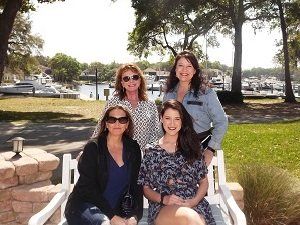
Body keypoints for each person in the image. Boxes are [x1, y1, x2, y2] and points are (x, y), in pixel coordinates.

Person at [138, 99, 216, 225]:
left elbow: (203, 182)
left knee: (196, 219)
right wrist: (164, 199)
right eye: (168, 118)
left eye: (177, 119)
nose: (172, 123)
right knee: (190, 219)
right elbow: (146, 188)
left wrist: (194, 201)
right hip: (164, 206)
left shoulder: (193, 147)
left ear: (182, 121)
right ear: (161, 119)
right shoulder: (152, 150)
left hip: (194, 203)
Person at [65, 105, 143, 225]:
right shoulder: (93, 147)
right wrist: (112, 216)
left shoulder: (133, 148)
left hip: (116, 209)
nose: (117, 123)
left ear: (127, 124)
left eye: (122, 120)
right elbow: (88, 189)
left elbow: (136, 185)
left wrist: (135, 215)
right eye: (112, 120)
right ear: (106, 123)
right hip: (84, 206)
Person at [163, 50, 228, 165]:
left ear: (194, 70)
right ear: (175, 70)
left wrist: (211, 149)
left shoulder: (206, 93)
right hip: (173, 149)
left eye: (189, 66)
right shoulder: (169, 94)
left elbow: (222, 122)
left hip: (200, 148)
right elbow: (163, 122)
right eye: (180, 66)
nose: (184, 70)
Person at [92, 63, 160, 154]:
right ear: (122, 83)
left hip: (144, 157)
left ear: (140, 80)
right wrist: (89, 149)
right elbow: (101, 127)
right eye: (126, 78)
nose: (131, 81)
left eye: (135, 77)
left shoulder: (150, 104)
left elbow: (155, 132)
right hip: (118, 156)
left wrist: (149, 152)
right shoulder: (113, 102)